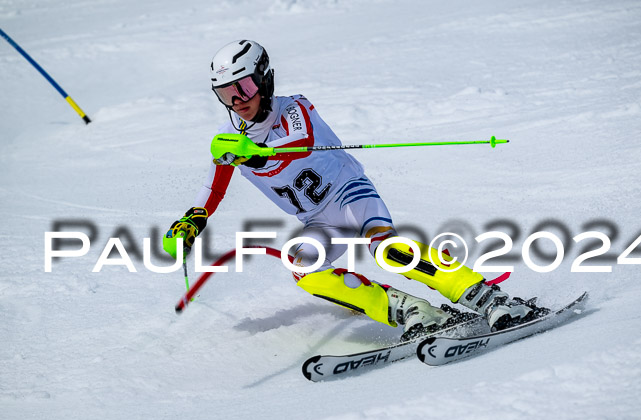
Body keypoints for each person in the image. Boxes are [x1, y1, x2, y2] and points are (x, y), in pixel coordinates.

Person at [163, 40, 536, 340]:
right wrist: (192, 221)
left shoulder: (294, 108)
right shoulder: (234, 145)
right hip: (318, 221)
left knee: (386, 250)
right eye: (227, 94)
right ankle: (410, 310)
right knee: (302, 265)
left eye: (244, 87)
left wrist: (256, 156)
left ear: (264, 80)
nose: (238, 101)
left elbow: (302, 142)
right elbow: (213, 187)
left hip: (350, 194)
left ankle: (490, 298)